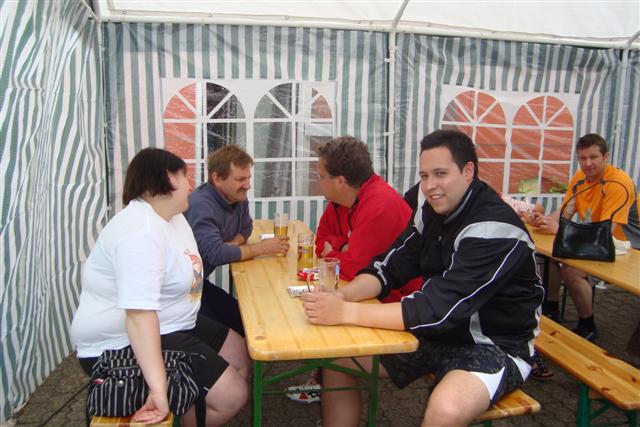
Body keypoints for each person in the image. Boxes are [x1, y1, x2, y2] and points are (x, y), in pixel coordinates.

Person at [301, 130, 544, 427]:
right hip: (438, 333)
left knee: (446, 410)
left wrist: (345, 312)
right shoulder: (432, 212)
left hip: (492, 344)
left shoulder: (494, 228)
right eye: (424, 176)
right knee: (337, 359)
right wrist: (343, 295)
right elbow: (389, 267)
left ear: (468, 171)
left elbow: (439, 309)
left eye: (440, 174)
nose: (429, 186)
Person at [70, 148, 250, 426]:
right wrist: (158, 389)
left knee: (239, 354)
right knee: (232, 395)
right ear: (167, 179)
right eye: (184, 177)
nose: (191, 185)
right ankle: (185, 411)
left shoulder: (173, 218)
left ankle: (190, 401)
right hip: (120, 342)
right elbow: (138, 316)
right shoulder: (140, 232)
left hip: (171, 323)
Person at [286, 136, 422, 403]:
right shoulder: (342, 200)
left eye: (321, 176)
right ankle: (325, 379)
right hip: (374, 294)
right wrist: (342, 247)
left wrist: (335, 252)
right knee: (321, 308)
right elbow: (320, 241)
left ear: (340, 180)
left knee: (326, 327)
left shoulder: (379, 203)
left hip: (399, 308)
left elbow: (353, 268)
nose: (318, 181)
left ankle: (326, 377)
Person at [530, 133, 639, 341]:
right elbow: (565, 212)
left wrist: (558, 229)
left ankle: (587, 325)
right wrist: (544, 220)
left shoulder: (619, 183)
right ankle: (551, 310)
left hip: (627, 248)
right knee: (547, 255)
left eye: (593, 157)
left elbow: (604, 234)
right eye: (582, 158)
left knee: (572, 269)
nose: (587, 163)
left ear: (606, 157)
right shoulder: (581, 177)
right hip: (598, 242)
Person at [184, 145, 290, 336]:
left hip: (198, 283)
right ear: (217, 178)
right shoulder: (201, 205)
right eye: (240, 179)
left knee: (245, 320)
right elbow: (216, 254)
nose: (247, 185)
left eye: (248, 178)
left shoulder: (236, 197)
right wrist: (263, 248)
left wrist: (233, 244)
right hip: (183, 292)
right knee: (243, 328)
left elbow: (246, 227)